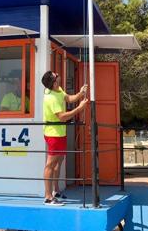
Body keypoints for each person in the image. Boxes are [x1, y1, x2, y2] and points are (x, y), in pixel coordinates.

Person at [41, 70, 88, 206]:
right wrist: (79, 108)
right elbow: (62, 116)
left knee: (58, 162)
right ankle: (48, 197)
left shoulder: (57, 90)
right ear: (54, 83)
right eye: (56, 76)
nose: (58, 74)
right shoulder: (51, 98)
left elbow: (68, 98)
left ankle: (55, 191)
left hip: (60, 132)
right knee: (50, 164)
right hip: (53, 133)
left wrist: (80, 93)